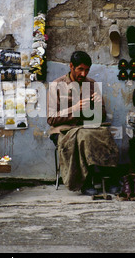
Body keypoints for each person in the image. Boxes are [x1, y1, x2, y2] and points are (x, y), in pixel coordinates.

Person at [47, 51, 119, 195]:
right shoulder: (57, 85)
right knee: (83, 135)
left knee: (104, 132)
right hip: (64, 130)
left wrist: (98, 107)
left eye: (87, 70)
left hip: (88, 128)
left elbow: (101, 118)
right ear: (71, 66)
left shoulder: (92, 85)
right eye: (80, 69)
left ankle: (110, 178)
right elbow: (51, 119)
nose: (83, 74)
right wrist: (74, 109)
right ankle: (85, 181)